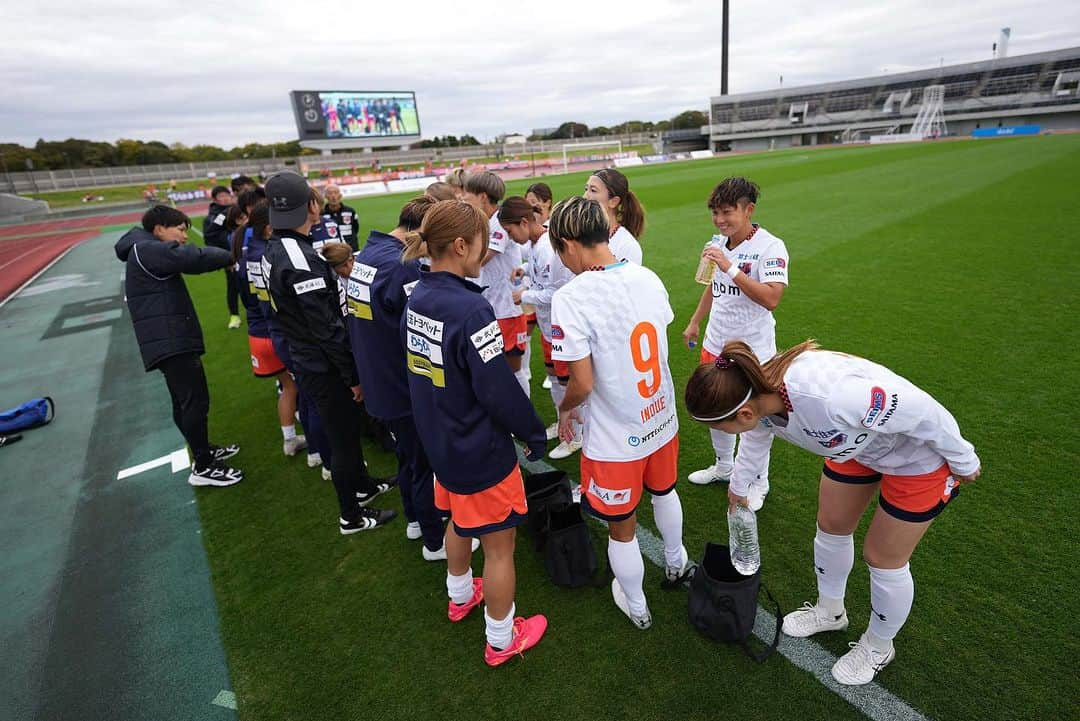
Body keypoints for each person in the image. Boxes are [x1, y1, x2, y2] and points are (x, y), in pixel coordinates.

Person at [684, 340, 981, 685]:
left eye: (721, 428)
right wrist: (739, 486)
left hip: (917, 459)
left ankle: (879, 646)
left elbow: (923, 411)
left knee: (883, 557)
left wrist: (963, 458)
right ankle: (830, 610)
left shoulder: (832, 397)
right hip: (858, 448)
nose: (722, 434)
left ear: (744, 414)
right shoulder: (758, 400)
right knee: (831, 525)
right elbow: (758, 434)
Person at [402, 199, 548, 666]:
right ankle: (502, 639)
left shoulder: (417, 296)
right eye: (483, 243)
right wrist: (533, 431)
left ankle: (460, 594)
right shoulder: (471, 309)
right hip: (477, 449)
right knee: (500, 547)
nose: (487, 251)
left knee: (456, 520)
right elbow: (498, 390)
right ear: (462, 245)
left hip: (440, 442)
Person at [548, 196, 692, 629]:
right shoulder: (646, 276)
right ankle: (674, 563)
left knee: (622, 526)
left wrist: (566, 410)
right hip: (661, 417)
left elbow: (583, 382)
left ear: (569, 243)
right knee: (665, 492)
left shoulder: (571, 297)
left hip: (616, 439)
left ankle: (637, 604)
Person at [262, 171, 396, 535]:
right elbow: (326, 329)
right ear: (309, 206)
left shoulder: (278, 246)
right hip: (320, 364)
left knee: (348, 432)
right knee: (341, 437)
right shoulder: (300, 258)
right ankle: (350, 515)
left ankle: (364, 485)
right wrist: (353, 377)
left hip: (307, 356)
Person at [321, 196, 447, 560]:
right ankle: (434, 539)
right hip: (401, 384)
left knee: (408, 458)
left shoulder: (370, 254)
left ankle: (414, 519)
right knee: (422, 461)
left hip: (379, 380)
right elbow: (419, 330)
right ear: (421, 231)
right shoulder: (401, 266)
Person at [114, 205, 243, 487]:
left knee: (183, 400)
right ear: (159, 228)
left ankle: (202, 450)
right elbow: (193, 258)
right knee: (194, 400)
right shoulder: (148, 249)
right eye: (180, 230)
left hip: (167, 338)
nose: (184, 236)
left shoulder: (141, 247)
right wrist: (233, 255)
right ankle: (204, 466)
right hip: (171, 340)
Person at [682, 177, 788, 511]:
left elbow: (771, 298)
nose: (719, 220)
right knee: (717, 406)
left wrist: (731, 268)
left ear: (748, 209)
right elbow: (712, 286)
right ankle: (724, 466)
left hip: (753, 352)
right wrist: (695, 321)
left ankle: (759, 481)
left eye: (727, 212)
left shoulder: (770, 247)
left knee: (754, 418)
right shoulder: (719, 242)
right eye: (715, 213)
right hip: (716, 343)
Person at [501, 197, 577, 450]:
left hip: (561, 326)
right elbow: (540, 278)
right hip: (548, 327)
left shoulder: (547, 248)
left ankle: (576, 434)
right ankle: (563, 423)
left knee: (568, 382)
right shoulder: (535, 245)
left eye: (511, 232)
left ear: (524, 222)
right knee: (555, 378)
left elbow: (557, 292)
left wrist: (524, 295)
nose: (511, 238)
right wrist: (525, 272)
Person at [232, 201, 307, 458]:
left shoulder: (245, 257)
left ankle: (289, 438)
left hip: (257, 332)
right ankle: (317, 450)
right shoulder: (270, 255)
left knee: (288, 387)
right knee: (303, 388)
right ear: (268, 227)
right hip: (276, 332)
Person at [463, 171, 529, 395]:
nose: (463, 198)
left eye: (467, 194)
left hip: (506, 309)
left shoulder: (499, 223)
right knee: (496, 371)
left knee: (513, 371)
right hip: (491, 307)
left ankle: (524, 422)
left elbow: (479, 260)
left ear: (482, 196)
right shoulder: (484, 222)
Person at [583, 168, 645, 265]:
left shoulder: (627, 246)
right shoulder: (577, 233)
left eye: (593, 190)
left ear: (613, 201)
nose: (585, 196)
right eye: (586, 189)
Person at [202, 185, 242, 329]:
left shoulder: (238, 210)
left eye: (227, 195)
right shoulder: (211, 218)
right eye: (221, 196)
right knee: (233, 286)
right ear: (215, 199)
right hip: (229, 258)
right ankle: (234, 315)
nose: (225, 198)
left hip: (245, 254)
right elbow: (210, 239)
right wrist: (225, 259)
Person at [322, 185, 360, 251]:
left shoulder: (350, 211)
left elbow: (355, 228)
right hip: (332, 251)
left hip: (351, 249)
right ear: (325, 196)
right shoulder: (321, 214)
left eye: (336, 193)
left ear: (340, 195)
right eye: (330, 193)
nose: (333, 196)